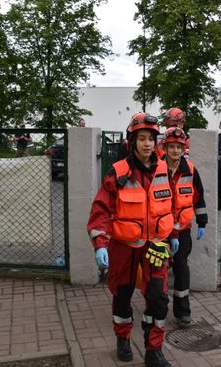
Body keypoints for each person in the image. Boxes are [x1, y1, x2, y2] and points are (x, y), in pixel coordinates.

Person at [87, 112, 175, 367]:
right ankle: (123, 339)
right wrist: (100, 245)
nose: (147, 144)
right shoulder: (118, 172)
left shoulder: (163, 169)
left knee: (158, 298)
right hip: (124, 246)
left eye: (151, 139)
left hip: (156, 244)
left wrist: (176, 234)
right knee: (122, 296)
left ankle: (153, 350)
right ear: (132, 141)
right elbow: (101, 210)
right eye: (142, 139)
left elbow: (169, 204)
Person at [161, 126, 208, 326]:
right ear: (165, 148)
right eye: (172, 147)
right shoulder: (157, 169)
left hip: (182, 230)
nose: (175, 151)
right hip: (161, 231)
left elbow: (198, 197)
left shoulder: (190, 170)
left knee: (181, 268)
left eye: (179, 147)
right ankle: (158, 308)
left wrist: (202, 222)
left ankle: (183, 311)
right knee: (159, 270)